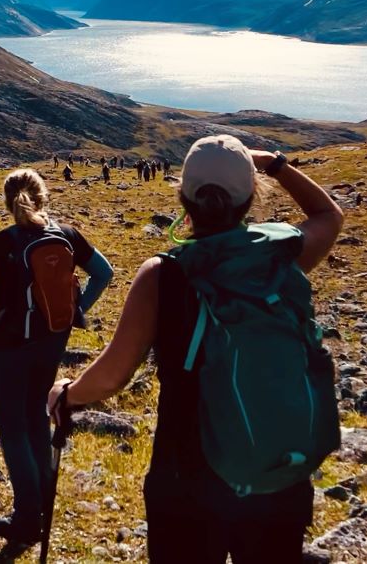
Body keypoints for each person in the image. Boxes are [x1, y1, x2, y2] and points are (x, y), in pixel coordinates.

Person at [47, 136, 345, 564]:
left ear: (183, 198)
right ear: (250, 199)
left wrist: (67, 393)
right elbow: (328, 214)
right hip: (276, 478)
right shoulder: (281, 259)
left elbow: (113, 374)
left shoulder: (162, 276)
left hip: (186, 479)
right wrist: (276, 166)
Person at [0, 169, 114, 551]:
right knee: (34, 414)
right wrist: (78, 309)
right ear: (43, 196)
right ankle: (43, 499)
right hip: (52, 337)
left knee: (12, 426)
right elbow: (104, 273)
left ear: (6, 200)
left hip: (9, 344)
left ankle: (28, 517)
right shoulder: (67, 235)